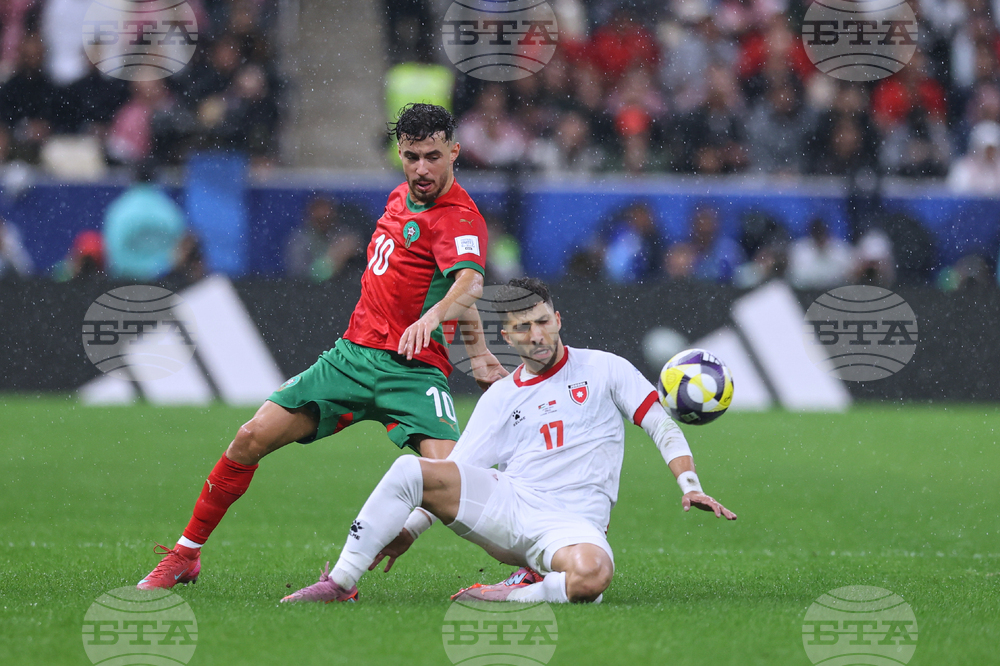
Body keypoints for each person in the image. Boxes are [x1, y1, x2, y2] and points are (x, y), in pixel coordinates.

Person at [137, 103, 508, 590]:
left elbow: (468, 284)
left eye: (433, 156)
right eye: (412, 156)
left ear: (454, 152)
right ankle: (187, 554)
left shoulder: (458, 216)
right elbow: (449, 288)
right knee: (250, 438)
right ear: (399, 151)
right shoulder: (400, 197)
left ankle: (533, 564)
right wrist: (477, 353)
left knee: (454, 482)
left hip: (413, 372)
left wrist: (444, 327)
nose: (421, 169)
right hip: (350, 359)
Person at [282, 278, 736, 605]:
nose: (536, 335)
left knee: (593, 575)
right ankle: (339, 583)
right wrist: (410, 530)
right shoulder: (502, 396)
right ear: (506, 336)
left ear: (557, 320)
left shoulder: (605, 368)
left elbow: (660, 424)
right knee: (410, 470)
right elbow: (456, 469)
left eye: (542, 322)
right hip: (511, 505)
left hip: (572, 523)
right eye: (523, 328)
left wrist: (690, 484)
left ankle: (511, 593)